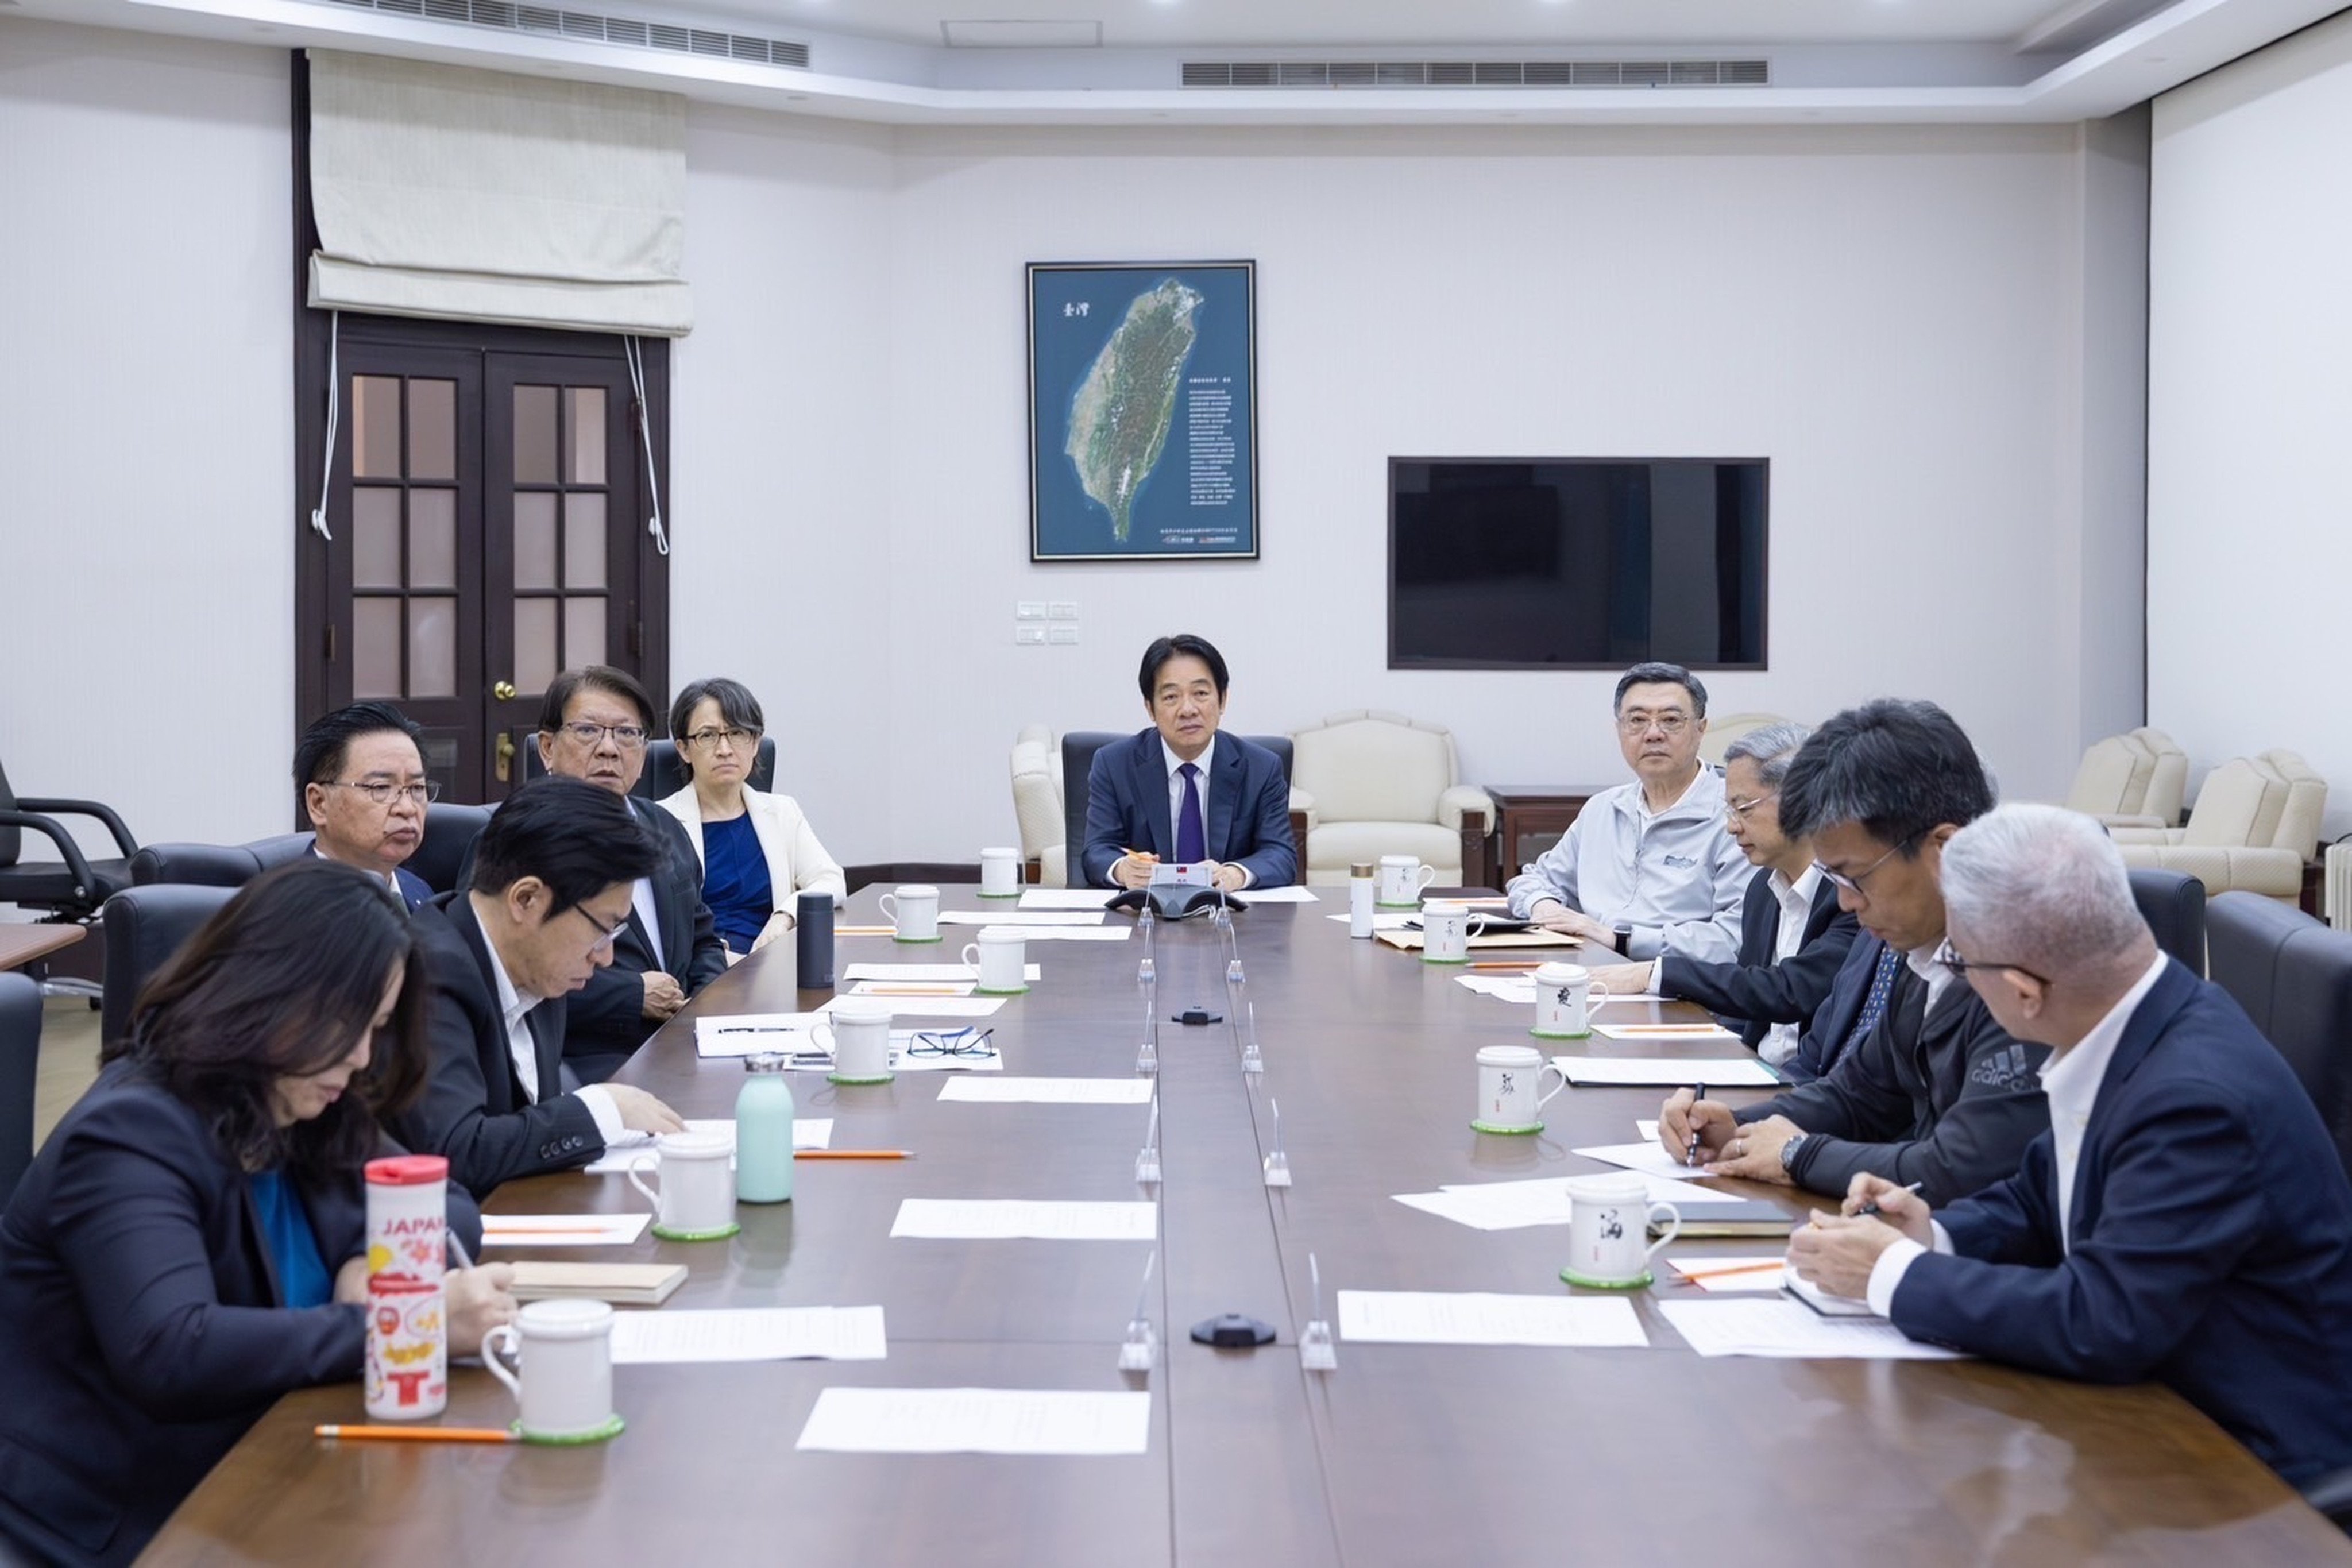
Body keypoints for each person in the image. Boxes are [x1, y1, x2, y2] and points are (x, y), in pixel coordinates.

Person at [1787, 804, 2352, 1486]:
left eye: (1962, 961)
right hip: (2154, 1404)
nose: (1956, 975)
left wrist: (1889, 1276)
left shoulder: (2193, 1100)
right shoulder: (2140, 1018)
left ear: (2024, 991)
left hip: (2246, 1462)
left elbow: (2102, 1323)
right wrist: (1930, 1234)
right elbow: (2037, 1196)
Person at [0, 860, 516, 1566]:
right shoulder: (130, 1132)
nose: (362, 1056)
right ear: (268, 994)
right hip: (124, 1519)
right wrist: (406, 1325)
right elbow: (173, 1350)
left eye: (379, 1027)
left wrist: (371, 1259)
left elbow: (446, 1203)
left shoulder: (298, 1091)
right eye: (348, 1023)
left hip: (267, 1458)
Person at [1657, 698, 2046, 1206]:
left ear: (1943, 848)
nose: (1843, 901)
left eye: (1855, 876)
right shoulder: (1929, 951)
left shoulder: (2019, 968)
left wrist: (1796, 1153)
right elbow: (1859, 1095)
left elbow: (1962, 1168)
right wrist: (1736, 1126)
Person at [405, 777, 687, 1198]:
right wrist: (598, 1111)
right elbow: (454, 1152)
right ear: (526, 900)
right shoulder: (427, 975)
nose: (606, 958)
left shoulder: (536, 964)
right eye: (602, 930)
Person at [1582, 721, 1858, 1068]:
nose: (1731, 826)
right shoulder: (1764, 887)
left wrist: (1654, 973)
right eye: (1728, 810)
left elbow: (1792, 989)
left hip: (1807, 1088)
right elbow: (1745, 1013)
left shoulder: (1850, 893)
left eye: (1743, 809)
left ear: (1801, 800)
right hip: (1754, 1070)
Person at [532, 665, 727, 1082]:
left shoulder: (665, 826)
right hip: (591, 1061)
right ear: (547, 747)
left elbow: (702, 936)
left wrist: (702, 1001)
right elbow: (505, 978)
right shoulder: (519, 840)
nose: (609, 749)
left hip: (690, 1044)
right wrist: (631, 996)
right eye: (587, 731)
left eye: (626, 734)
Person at [1503, 662, 1748, 962]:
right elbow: (1533, 881)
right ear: (1619, 729)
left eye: (1671, 720)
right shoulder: (1603, 809)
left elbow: (1733, 938)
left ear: (1701, 729)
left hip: (1679, 987)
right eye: (1637, 720)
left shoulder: (1734, 816)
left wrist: (1620, 940)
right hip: (1590, 971)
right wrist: (1546, 909)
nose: (1653, 734)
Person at [1080, 634, 1297, 893]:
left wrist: (1235, 875)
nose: (1188, 709)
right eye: (1171, 697)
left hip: (1230, 922)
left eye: (1201, 693)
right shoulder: (1113, 765)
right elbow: (1096, 851)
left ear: (1223, 700)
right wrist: (1122, 870)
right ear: (1150, 708)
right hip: (1146, 920)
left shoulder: (1262, 768)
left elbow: (1281, 855)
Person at [656, 676, 844, 958]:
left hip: (773, 963)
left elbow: (831, 881)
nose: (725, 749)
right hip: (701, 973)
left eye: (737, 734)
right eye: (707, 736)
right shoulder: (659, 821)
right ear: (684, 749)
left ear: (755, 743)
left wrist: (784, 917)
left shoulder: (782, 812)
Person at [293, 700, 436, 910]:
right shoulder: (286, 911)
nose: (407, 808)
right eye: (380, 788)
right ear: (319, 803)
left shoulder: (419, 891)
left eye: (416, 788)